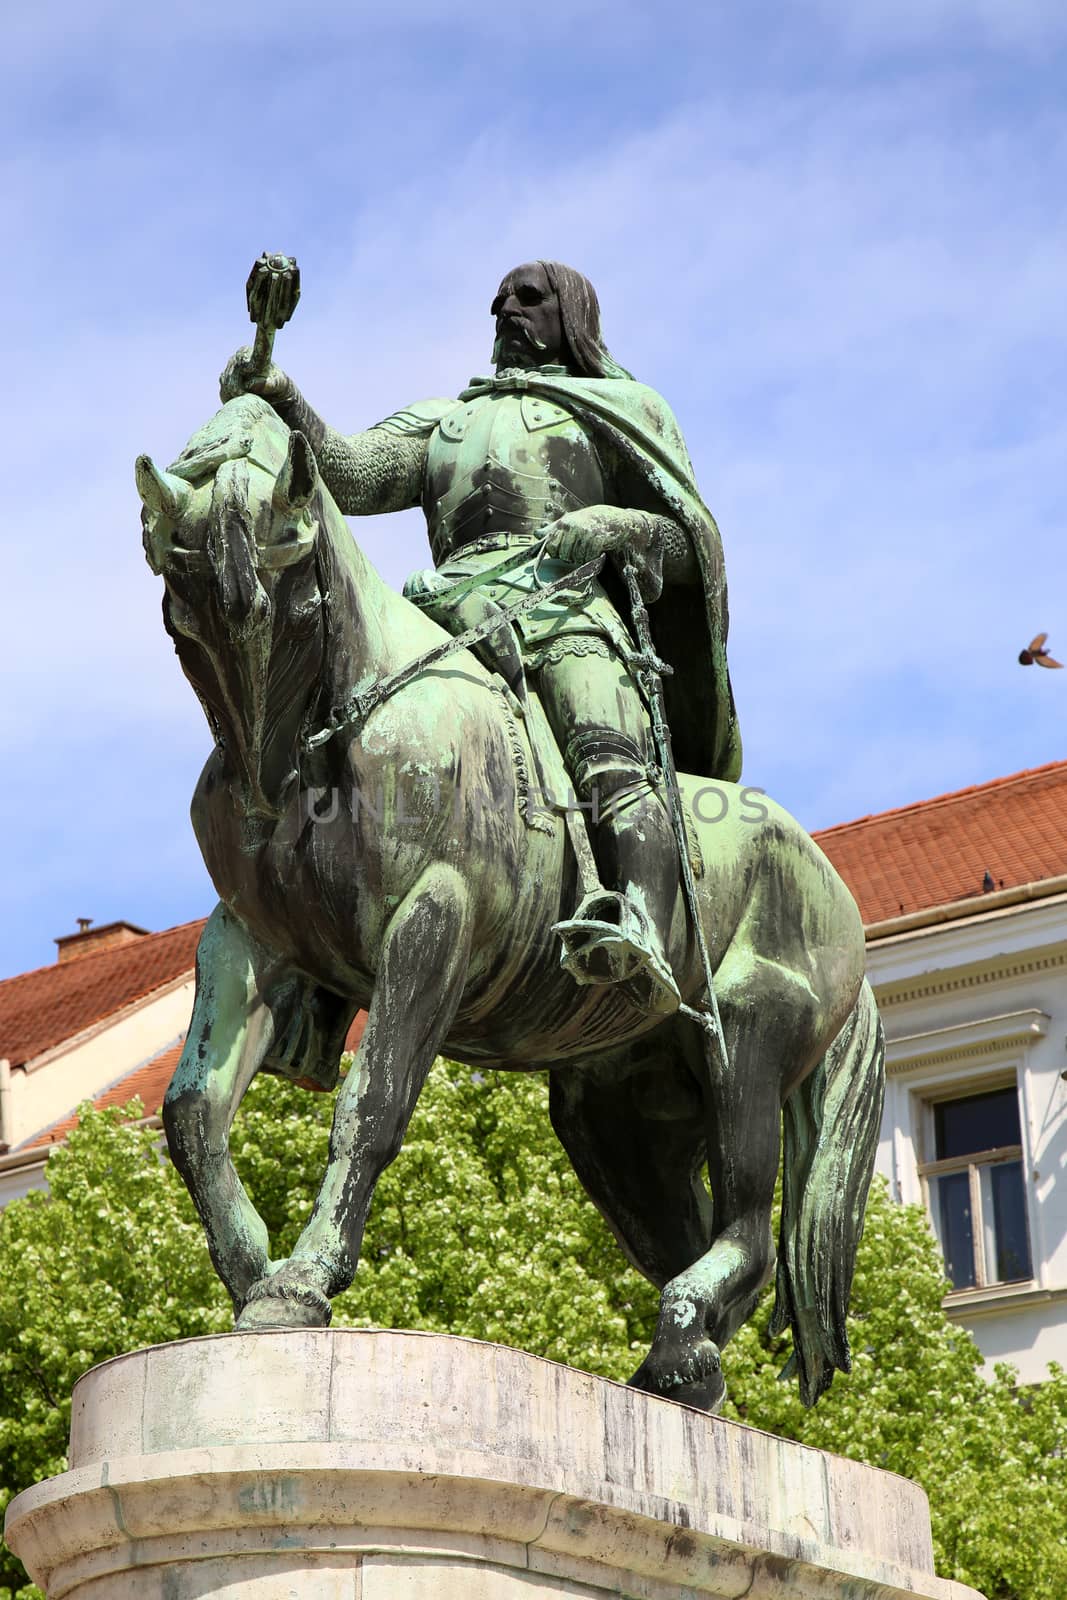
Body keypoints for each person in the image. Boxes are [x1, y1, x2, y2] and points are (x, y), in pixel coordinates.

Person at [220, 260, 741, 1015]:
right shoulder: (446, 419)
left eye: (528, 298)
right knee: (336, 746)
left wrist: (613, 526)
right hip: (444, 615)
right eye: (498, 301)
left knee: (604, 750)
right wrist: (280, 395)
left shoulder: (622, 408)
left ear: (572, 317)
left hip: (561, 610)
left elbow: (694, 545)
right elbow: (350, 474)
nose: (506, 309)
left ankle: (639, 919)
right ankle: (313, 972)